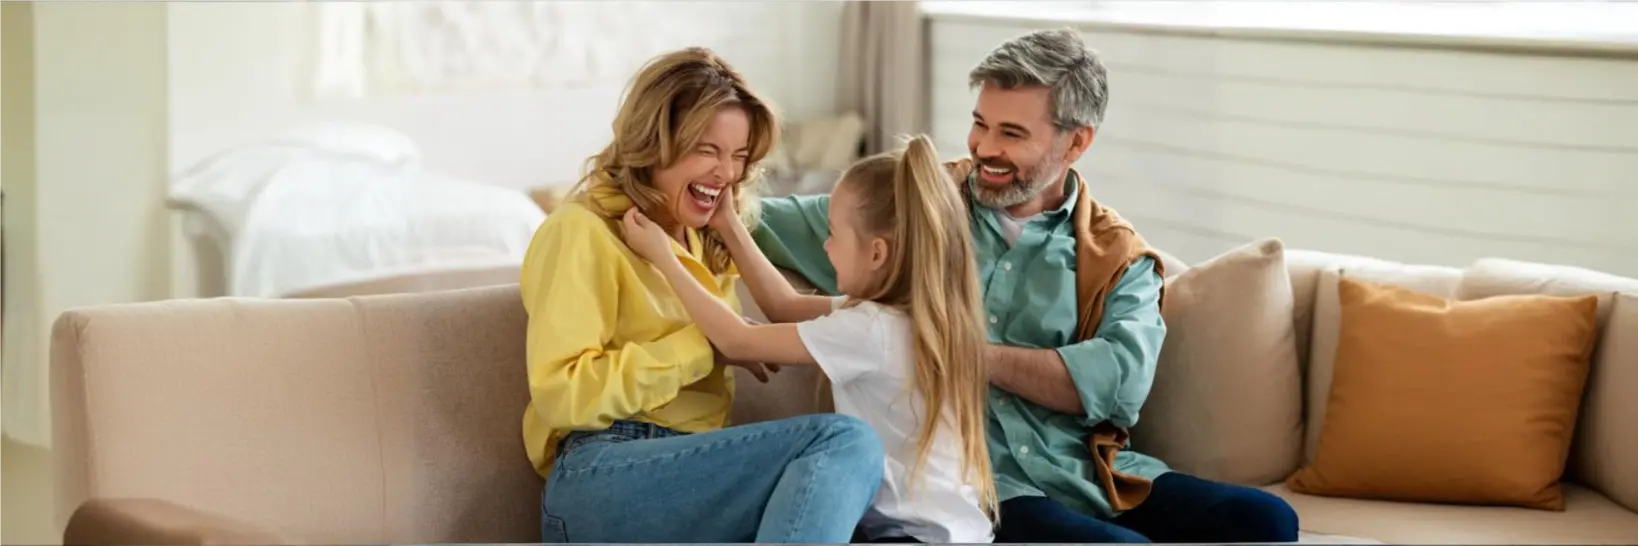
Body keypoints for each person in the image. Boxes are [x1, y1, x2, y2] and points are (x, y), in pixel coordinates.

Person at [753, 29, 1301, 543]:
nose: (983, 147)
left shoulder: (1114, 254)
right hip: (982, 488)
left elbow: (1119, 383)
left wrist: (962, 350)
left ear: (1076, 141)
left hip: (1093, 472)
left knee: (1264, 517)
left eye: (1011, 133)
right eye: (980, 124)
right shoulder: (918, 207)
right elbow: (762, 218)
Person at [519, 47, 884, 543]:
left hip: (692, 475)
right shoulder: (580, 231)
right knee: (844, 442)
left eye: (738, 156)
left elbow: (785, 301)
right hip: (600, 473)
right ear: (655, 141)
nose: (726, 173)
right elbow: (564, 396)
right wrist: (704, 346)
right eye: (708, 150)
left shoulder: (699, 236)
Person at [621, 135, 998, 544]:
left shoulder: (872, 330)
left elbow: (738, 341)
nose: (825, 245)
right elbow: (782, 304)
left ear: (876, 254)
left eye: (833, 233)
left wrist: (665, 257)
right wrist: (728, 224)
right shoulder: (910, 318)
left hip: (912, 537)